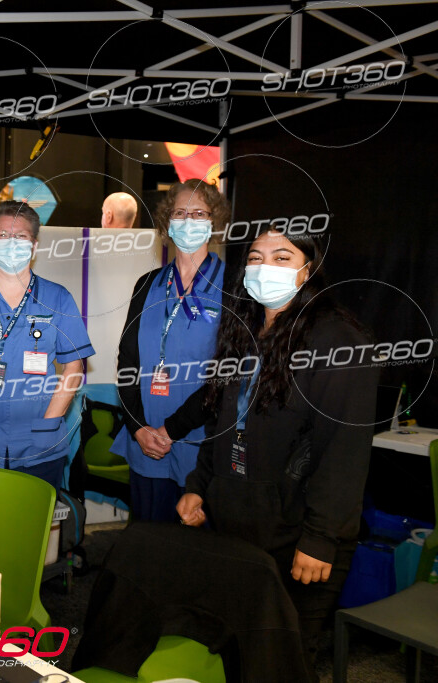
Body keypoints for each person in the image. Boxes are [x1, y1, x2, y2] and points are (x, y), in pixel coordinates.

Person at [177, 229, 378, 674]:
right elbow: (222, 421)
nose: (264, 267)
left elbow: (343, 451)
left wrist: (321, 538)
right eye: (255, 257)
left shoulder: (339, 340)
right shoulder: (243, 331)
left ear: (308, 271)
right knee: (235, 647)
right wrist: (199, 485)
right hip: (235, 521)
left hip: (298, 533)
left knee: (283, 659)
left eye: (282, 257)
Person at [0, 201, 93, 490]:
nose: (11, 243)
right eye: (2, 235)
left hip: (40, 444)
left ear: (34, 246)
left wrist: (49, 423)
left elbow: (74, 367)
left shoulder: (58, 297)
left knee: (33, 518)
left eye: (20, 236)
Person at [112, 179, 229, 522]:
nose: (188, 221)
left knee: (192, 548)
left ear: (214, 222)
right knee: (148, 540)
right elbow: (127, 360)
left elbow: (229, 372)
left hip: (200, 447)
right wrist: (138, 427)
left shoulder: (233, 286)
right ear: (167, 221)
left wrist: (171, 430)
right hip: (145, 443)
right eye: (180, 213)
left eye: (199, 213)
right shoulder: (147, 284)